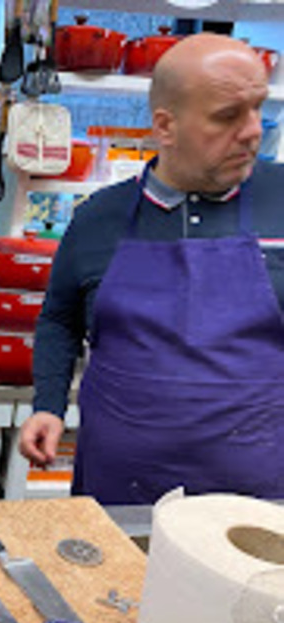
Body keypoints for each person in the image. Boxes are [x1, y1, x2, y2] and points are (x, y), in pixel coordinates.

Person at [18, 33, 284, 505]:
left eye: (257, 108)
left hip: (256, 495)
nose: (251, 131)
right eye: (227, 116)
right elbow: (59, 319)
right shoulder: (98, 217)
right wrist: (48, 405)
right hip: (122, 487)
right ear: (165, 126)